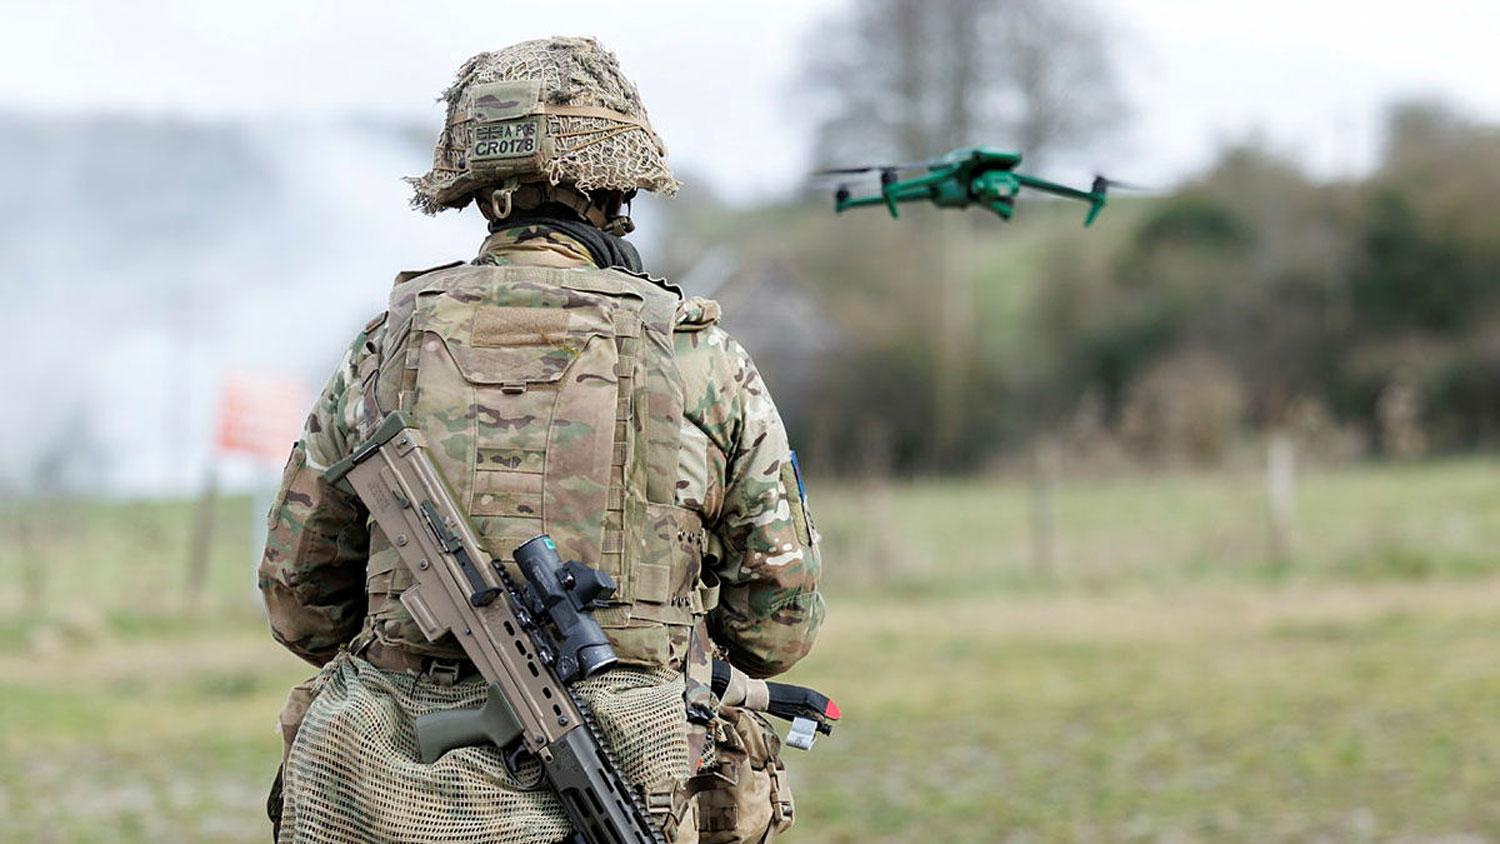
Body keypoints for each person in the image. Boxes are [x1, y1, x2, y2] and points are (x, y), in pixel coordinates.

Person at [257, 37, 825, 844]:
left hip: (382, 794)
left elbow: (299, 608)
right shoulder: (701, 357)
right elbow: (778, 628)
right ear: (615, 184)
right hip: (639, 769)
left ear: (479, 187)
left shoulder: (383, 351)